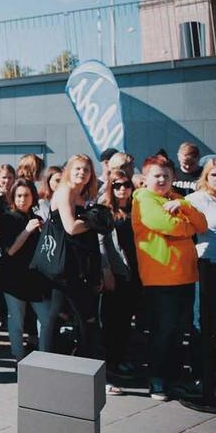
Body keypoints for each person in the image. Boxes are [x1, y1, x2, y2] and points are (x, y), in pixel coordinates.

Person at [132, 154, 207, 401]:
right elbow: (169, 226)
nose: (162, 179)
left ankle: (173, 379)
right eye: (157, 176)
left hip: (186, 276)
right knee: (162, 333)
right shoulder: (143, 198)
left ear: (174, 177)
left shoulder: (178, 199)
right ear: (145, 179)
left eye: (166, 176)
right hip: (160, 279)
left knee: (177, 333)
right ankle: (157, 381)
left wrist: (184, 207)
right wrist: (186, 226)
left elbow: (202, 223)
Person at [48, 154, 106, 360]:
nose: (82, 173)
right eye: (78, 169)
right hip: (65, 266)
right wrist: (94, 221)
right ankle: (58, 362)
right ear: (69, 171)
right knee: (81, 316)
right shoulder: (65, 191)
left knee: (78, 316)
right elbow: (71, 227)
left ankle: (80, 362)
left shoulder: (83, 194)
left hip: (81, 265)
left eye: (86, 170)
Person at [0, 178, 54, 360]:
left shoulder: (36, 218)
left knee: (45, 319)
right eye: (19, 195)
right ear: (12, 197)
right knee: (16, 321)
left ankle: (45, 358)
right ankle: (18, 358)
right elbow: (10, 250)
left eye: (26, 195)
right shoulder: (7, 218)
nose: (22, 199)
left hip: (35, 277)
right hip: (13, 278)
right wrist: (27, 231)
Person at [98, 168, 139, 392]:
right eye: (117, 185)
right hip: (115, 271)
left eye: (126, 184)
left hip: (135, 271)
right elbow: (101, 242)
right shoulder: (107, 210)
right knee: (112, 320)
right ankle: (111, 362)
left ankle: (121, 358)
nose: (122, 189)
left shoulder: (137, 209)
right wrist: (106, 271)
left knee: (126, 319)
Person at [186, 157, 216, 405]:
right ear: (206, 176)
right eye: (214, 174)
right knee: (202, 322)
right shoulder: (197, 199)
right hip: (205, 266)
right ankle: (200, 376)